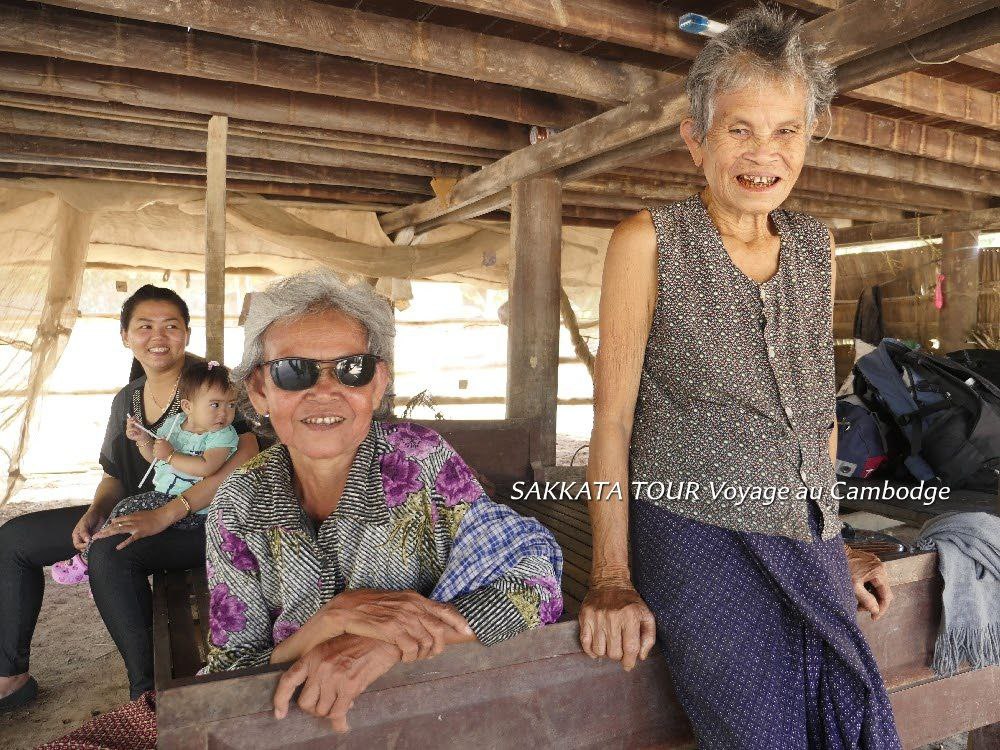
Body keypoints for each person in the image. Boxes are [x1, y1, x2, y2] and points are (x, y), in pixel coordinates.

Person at [578, 7, 902, 749]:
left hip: (802, 532)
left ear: (810, 136)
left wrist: (830, 536)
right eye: (740, 129)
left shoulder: (815, 247)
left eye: (787, 129)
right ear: (695, 139)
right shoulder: (648, 241)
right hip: (695, 529)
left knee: (852, 713)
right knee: (761, 731)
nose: (765, 153)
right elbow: (613, 423)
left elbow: (815, 414)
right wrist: (611, 577)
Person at [204, 269, 564, 732]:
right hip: (294, 720)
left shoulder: (419, 459)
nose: (325, 392)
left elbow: (536, 582)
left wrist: (389, 642)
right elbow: (231, 668)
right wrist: (334, 620)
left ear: (377, 385)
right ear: (260, 390)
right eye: (294, 371)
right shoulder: (238, 502)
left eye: (352, 370)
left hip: (429, 711)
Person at [0, 285, 259, 708]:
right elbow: (114, 475)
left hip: (205, 520)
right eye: (145, 326)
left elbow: (246, 454)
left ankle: (148, 695)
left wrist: (171, 512)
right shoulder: (128, 398)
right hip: (140, 508)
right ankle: (10, 677)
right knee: (15, 539)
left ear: (186, 335)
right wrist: (97, 511)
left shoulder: (208, 385)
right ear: (125, 336)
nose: (159, 336)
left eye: (171, 326)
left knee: (112, 551)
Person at [50, 360, 241, 584]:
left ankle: (87, 562)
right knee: (126, 516)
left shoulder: (223, 435)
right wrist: (143, 441)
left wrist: (171, 455)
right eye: (215, 405)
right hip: (167, 500)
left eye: (231, 404)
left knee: (126, 507)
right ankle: (102, 571)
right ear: (188, 407)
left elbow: (208, 466)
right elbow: (155, 459)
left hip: (197, 511)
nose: (225, 413)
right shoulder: (174, 424)